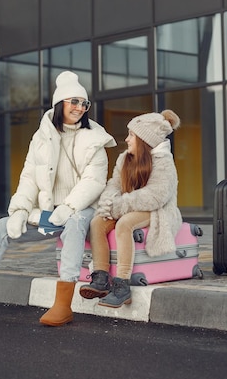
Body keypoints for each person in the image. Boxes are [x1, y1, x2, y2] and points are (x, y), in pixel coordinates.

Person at [0, 71, 116, 326]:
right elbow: (28, 178)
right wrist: (20, 210)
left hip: (83, 207)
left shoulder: (95, 139)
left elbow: (93, 182)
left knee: (75, 222)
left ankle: (63, 305)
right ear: (60, 104)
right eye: (74, 102)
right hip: (49, 211)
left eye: (84, 103)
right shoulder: (41, 138)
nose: (80, 108)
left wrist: (68, 207)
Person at [79, 110, 183, 308]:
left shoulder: (163, 161)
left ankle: (122, 285)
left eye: (131, 135)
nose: (126, 139)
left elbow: (155, 196)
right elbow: (113, 185)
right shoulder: (124, 159)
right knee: (97, 222)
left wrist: (119, 206)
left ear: (144, 139)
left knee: (125, 224)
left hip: (157, 210)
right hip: (126, 206)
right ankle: (101, 278)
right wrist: (109, 203)